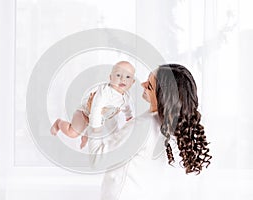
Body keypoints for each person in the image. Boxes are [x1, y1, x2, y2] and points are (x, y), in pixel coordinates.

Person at [90, 64, 212, 200]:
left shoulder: (142, 125)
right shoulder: (169, 126)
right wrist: (108, 116)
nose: (142, 84)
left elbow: (97, 159)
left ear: (163, 96)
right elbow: (123, 145)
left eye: (149, 86)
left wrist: (94, 116)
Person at [50, 61, 136, 149]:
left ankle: (85, 136)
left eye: (128, 76)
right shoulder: (105, 92)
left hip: (99, 118)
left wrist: (128, 116)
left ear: (132, 82)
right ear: (110, 77)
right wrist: (95, 128)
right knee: (72, 133)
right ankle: (59, 123)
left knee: (109, 130)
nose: (122, 79)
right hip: (84, 114)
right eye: (118, 75)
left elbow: (126, 106)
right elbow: (96, 108)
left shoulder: (126, 95)